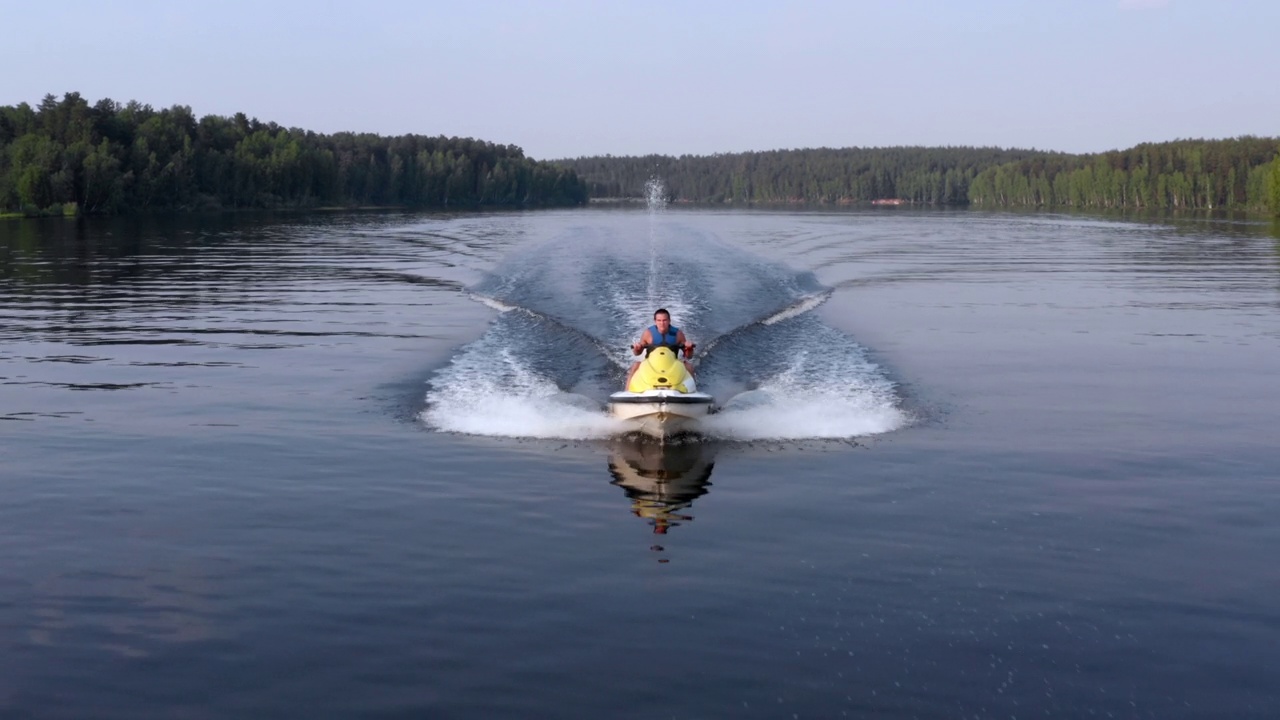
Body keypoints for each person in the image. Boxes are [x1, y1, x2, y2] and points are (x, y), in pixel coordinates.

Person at [627, 308, 696, 387]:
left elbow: (688, 356)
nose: (662, 323)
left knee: (688, 366)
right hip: (651, 364)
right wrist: (637, 348)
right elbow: (637, 353)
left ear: (669, 321)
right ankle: (627, 391)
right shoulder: (648, 333)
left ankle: (693, 391)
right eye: (659, 320)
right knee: (636, 365)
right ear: (655, 321)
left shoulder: (678, 334)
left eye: (664, 320)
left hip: (672, 364)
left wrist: (689, 348)